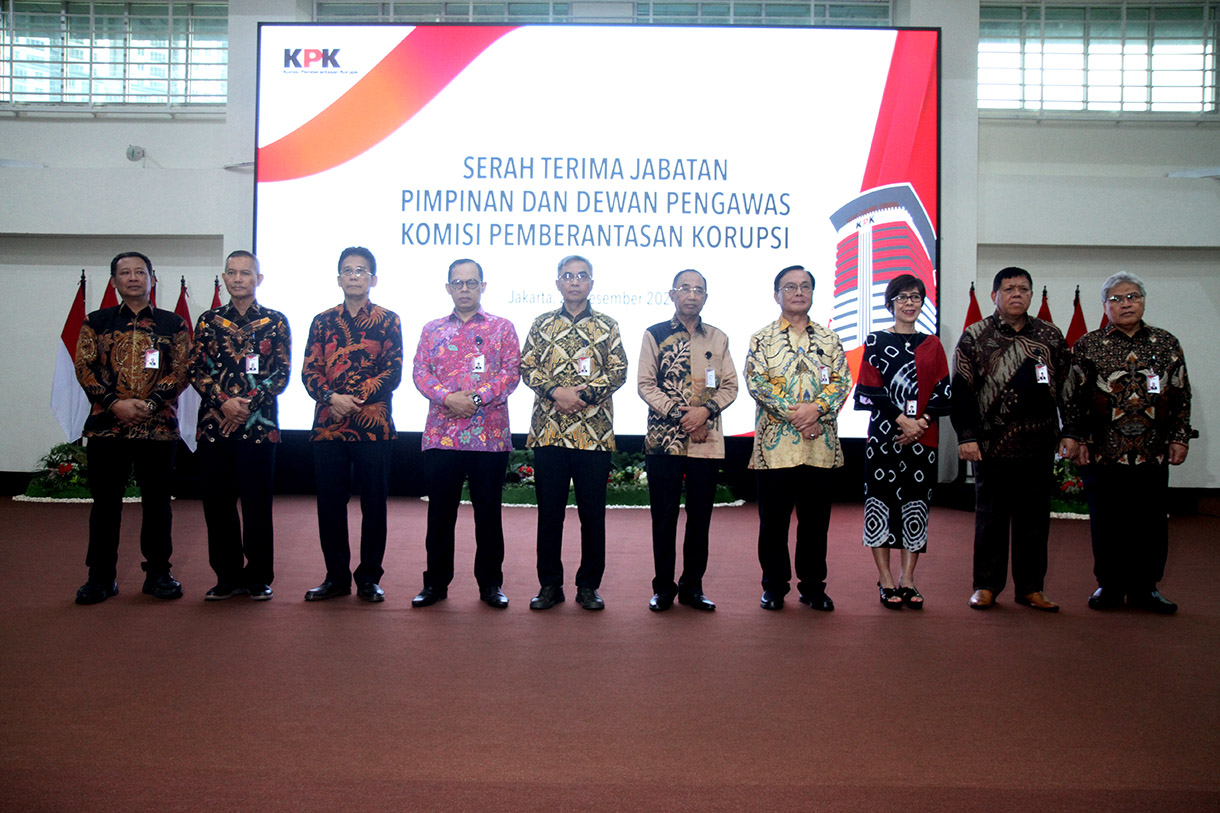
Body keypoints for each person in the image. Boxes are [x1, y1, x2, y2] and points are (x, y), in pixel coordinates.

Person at [1064, 272, 1192, 614]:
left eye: (1132, 296)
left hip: (1153, 451)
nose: (1126, 304)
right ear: (1105, 306)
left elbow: (1180, 394)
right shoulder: (1088, 345)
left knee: (1150, 522)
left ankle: (1146, 588)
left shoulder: (1165, 343)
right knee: (1107, 521)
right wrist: (1077, 439)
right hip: (1103, 452)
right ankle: (1109, 585)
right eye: (1117, 299)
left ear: (1143, 300)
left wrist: (1180, 438)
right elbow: (1072, 399)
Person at [951, 266, 1073, 612]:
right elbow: (961, 391)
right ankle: (986, 586)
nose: (1016, 294)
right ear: (995, 296)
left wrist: (1071, 432)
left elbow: (1068, 387)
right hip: (991, 445)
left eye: (1023, 289)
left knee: (1034, 520)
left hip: (1038, 444)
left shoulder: (1050, 336)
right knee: (990, 517)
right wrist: (967, 436)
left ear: (1031, 295)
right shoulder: (976, 336)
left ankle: (1031, 588)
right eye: (1008, 289)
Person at [73, 251, 191, 605]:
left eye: (141, 271)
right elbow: (84, 368)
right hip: (107, 429)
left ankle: (159, 573)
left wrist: (151, 404)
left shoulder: (174, 324)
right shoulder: (97, 321)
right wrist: (115, 404)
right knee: (105, 505)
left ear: (153, 278)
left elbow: (182, 369)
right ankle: (100, 578)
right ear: (114, 281)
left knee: (157, 504)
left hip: (157, 429)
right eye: (125, 273)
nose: (134, 278)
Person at [519, 255, 628, 611]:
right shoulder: (541, 324)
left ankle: (588, 586)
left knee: (592, 515)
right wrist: (555, 393)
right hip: (549, 432)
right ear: (558, 283)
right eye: (568, 276)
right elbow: (527, 367)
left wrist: (581, 395)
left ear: (591, 283)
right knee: (549, 513)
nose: (575, 282)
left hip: (592, 433)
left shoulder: (607, 325)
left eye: (582, 276)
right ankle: (550, 585)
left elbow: (619, 370)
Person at [411, 259, 520, 609]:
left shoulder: (502, 328)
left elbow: (511, 373)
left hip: (489, 437)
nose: (465, 289)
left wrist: (474, 399)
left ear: (483, 286)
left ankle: (490, 585)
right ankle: (435, 584)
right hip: (442, 435)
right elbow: (419, 373)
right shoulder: (432, 330)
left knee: (488, 515)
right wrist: (447, 399)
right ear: (448, 288)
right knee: (440, 514)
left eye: (472, 282)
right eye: (458, 283)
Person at [745, 264, 852, 612]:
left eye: (805, 286)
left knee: (815, 524)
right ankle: (774, 587)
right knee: (772, 524)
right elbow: (757, 384)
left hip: (820, 447)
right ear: (777, 294)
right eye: (789, 287)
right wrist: (798, 416)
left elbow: (841, 382)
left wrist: (816, 410)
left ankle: (813, 587)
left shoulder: (830, 338)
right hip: (775, 450)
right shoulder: (762, 338)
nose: (798, 292)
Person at [300, 246, 403, 603]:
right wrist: (333, 399)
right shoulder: (322, 321)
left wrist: (354, 398)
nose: (355, 276)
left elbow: (393, 370)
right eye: (348, 270)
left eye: (361, 271)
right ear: (339, 278)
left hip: (374, 427)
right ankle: (336, 577)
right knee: (330, 504)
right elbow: (309, 371)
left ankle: (370, 577)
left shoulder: (389, 319)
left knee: (374, 504)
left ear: (373, 279)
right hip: (329, 426)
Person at [189, 250, 291, 601]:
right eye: (231, 273)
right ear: (224, 278)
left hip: (259, 427)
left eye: (245, 273)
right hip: (215, 427)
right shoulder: (208, 321)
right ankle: (226, 575)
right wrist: (224, 403)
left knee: (257, 504)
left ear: (258, 279)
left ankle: (259, 576)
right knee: (217, 505)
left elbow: (282, 371)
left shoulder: (275, 321)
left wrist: (248, 405)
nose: (237, 279)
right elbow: (195, 370)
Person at [637, 269, 738, 611]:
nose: (692, 295)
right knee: (663, 516)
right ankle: (663, 587)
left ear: (705, 297)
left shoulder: (719, 338)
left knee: (700, 517)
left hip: (706, 440)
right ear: (672, 294)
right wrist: (684, 417)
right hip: (665, 441)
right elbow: (645, 384)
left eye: (698, 290)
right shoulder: (655, 334)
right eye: (685, 288)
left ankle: (692, 587)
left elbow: (731, 387)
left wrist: (704, 412)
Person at [853, 274, 951, 610]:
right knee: (879, 505)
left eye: (915, 297)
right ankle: (885, 579)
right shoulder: (877, 340)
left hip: (922, 440)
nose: (909, 303)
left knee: (915, 505)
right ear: (890, 302)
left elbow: (943, 392)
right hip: (883, 437)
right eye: (902, 297)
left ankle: (908, 579)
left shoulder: (932, 344)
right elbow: (868, 390)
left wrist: (920, 423)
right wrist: (902, 421)